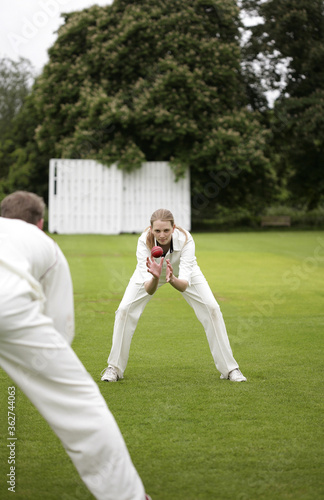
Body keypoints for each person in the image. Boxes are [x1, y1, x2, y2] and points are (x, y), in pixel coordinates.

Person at [0, 194, 151, 500]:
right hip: (9, 307)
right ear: (40, 223)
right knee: (82, 407)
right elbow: (59, 332)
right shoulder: (47, 246)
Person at [101, 208, 246, 383]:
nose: (161, 235)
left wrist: (171, 279)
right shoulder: (144, 241)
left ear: (174, 228)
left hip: (180, 273)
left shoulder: (185, 239)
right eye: (157, 231)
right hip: (151, 272)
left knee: (212, 308)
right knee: (124, 309)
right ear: (151, 229)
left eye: (166, 230)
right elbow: (149, 289)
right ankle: (113, 368)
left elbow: (184, 284)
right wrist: (156, 276)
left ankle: (230, 369)